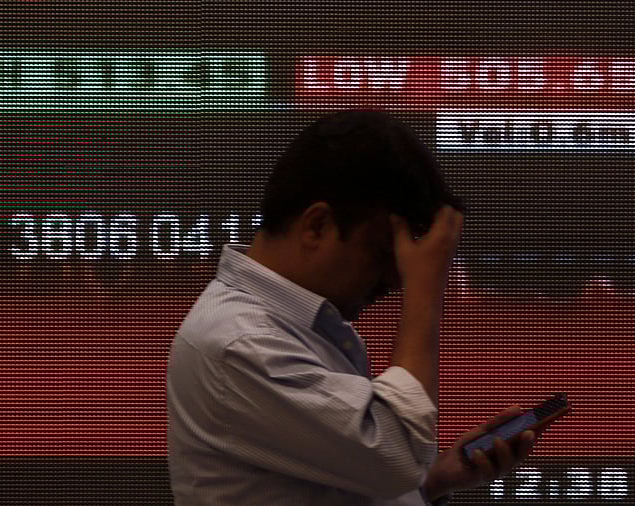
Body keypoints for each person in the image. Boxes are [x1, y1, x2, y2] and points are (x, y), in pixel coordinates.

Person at [166, 110, 540, 505]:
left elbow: (345, 481)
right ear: (317, 226)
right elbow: (394, 458)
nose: (396, 281)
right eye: (382, 253)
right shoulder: (240, 343)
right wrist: (425, 289)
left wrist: (429, 483)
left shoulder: (289, 326)